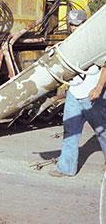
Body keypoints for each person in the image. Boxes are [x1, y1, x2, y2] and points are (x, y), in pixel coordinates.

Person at [49, 9, 106, 177]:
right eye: (72, 25)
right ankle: (66, 168)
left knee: (102, 130)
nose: (74, 28)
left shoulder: (95, 41)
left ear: (85, 23)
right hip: (74, 93)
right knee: (70, 130)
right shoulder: (70, 42)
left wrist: (98, 88)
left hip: (92, 94)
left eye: (78, 24)